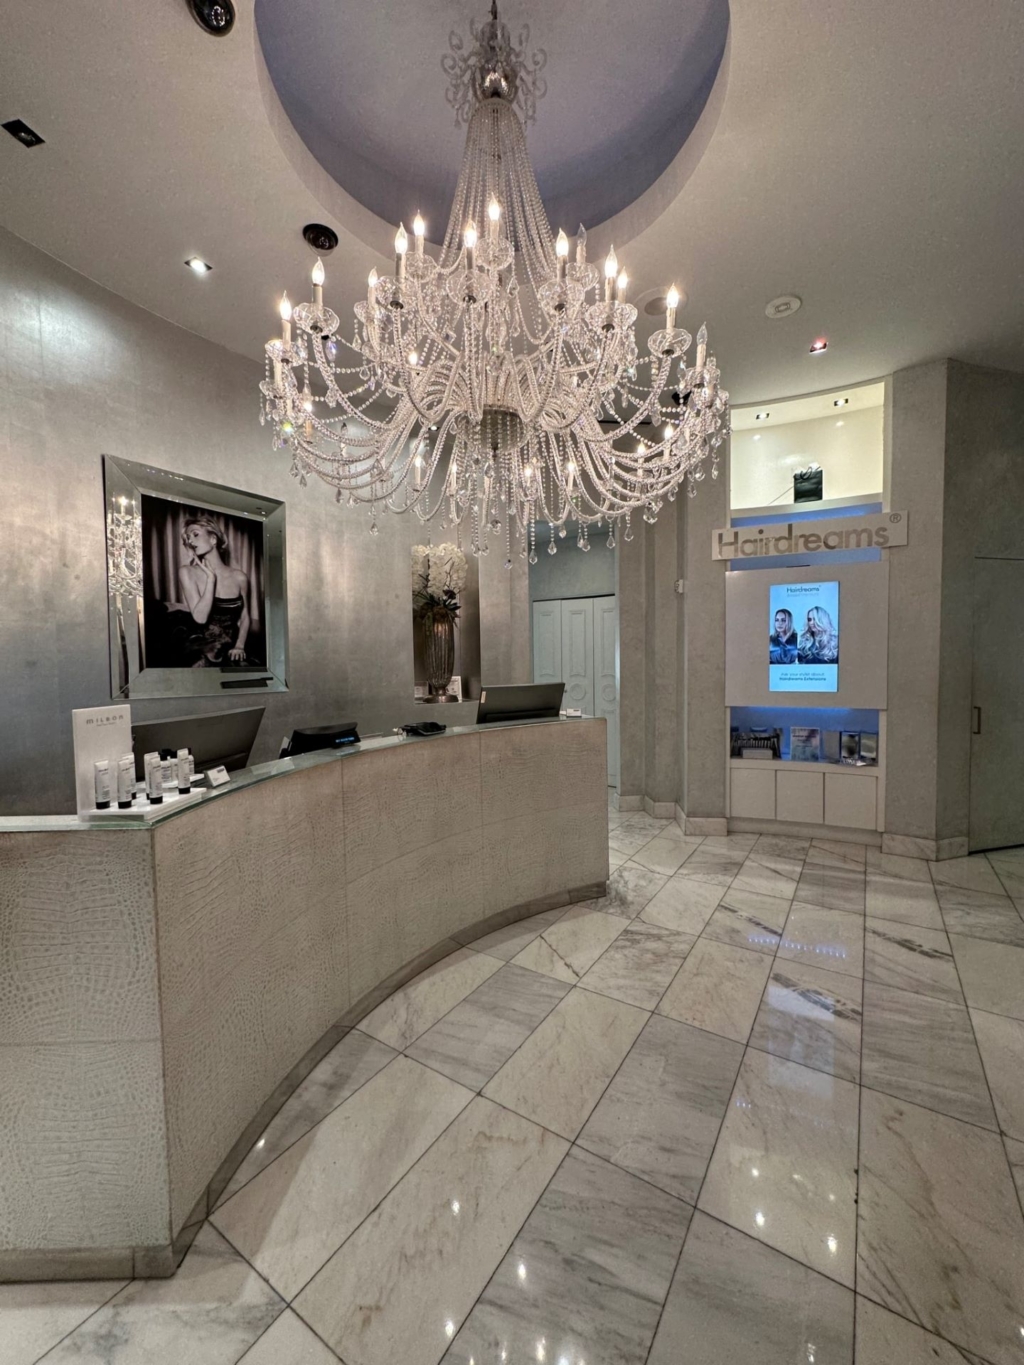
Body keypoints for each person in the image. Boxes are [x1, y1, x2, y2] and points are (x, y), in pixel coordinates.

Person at [177, 515, 251, 667]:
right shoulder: (187, 572)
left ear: (213, 539)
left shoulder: (239, 577)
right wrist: (211, 579)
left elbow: (245, 617)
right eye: (188, 538)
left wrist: (240, 645)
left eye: (195, 534)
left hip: (232, 648)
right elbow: (200, 618)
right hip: (200, 648)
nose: (191, 541)